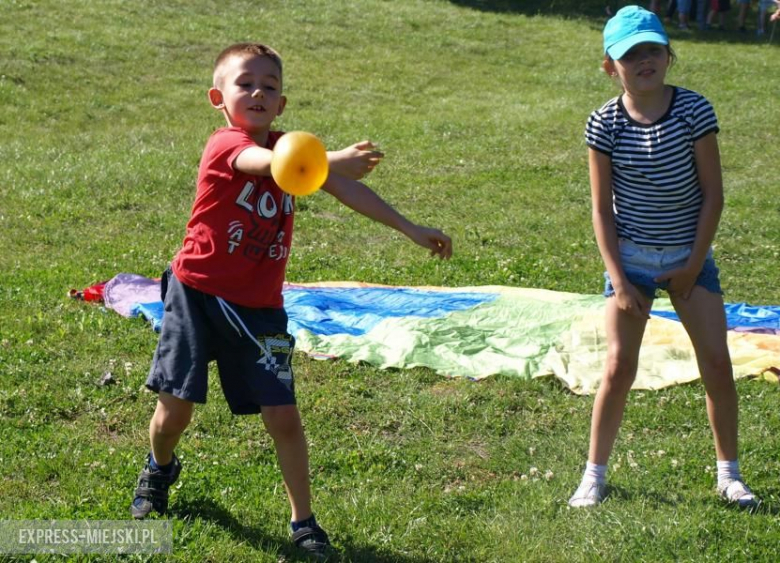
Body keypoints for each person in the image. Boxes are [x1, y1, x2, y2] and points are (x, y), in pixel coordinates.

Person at [128, 42, 453, 557]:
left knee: (283, 416)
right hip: (197, 297)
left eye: (270, 86)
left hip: (260, 309)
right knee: (175, 412)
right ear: (218, 98)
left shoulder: (290, 151)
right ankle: (160, 467)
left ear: (281, 105)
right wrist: (331, 158)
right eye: (245, 83)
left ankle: (304, 522)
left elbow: (345, 189)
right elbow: (271, 165)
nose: (258, 92)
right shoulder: (226, 144)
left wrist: (409, 228)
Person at [568, 6, 759, 510]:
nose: (644, 60)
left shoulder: (694, 111)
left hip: (688, 257)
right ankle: (593, 476)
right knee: (618, 368)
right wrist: (619, 281)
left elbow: (713, 196)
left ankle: (729, 475)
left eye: (652, 49)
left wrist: (693, 266)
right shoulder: (603, 123)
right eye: (630, 54)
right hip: (630, 260)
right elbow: (601, 210)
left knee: (716, 363)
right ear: (610, 66)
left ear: (669, 56)